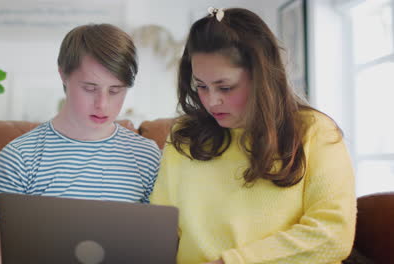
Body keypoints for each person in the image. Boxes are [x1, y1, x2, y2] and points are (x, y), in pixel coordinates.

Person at [150, 7, 356, 264]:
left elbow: (333, 235)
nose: (212, 101)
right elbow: (161, 231)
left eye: (225, 87)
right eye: (201, 86)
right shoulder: (183, 137)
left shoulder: (315, 131)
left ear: (262, 78)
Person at [0, 24, 161, 263]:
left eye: (116, 90)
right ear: (63, 75)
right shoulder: (19, 158)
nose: (103, 105)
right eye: (90, 88)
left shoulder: (147, 155)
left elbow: (158, 247)